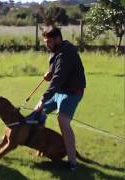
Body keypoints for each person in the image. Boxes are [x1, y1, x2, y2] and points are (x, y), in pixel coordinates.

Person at [34, 26, 86, 170]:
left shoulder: (66, 53)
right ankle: (41, 147)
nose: (47, 45)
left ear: (58, 39)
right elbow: (55, 71)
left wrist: (42, 99)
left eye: (49, 42)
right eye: (45, 42)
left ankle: (73, 163)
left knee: (62, 120)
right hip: (60, 91)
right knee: (38, 113)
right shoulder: (55, 51)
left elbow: (57, 80)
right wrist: (49, 72)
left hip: (72, 92)